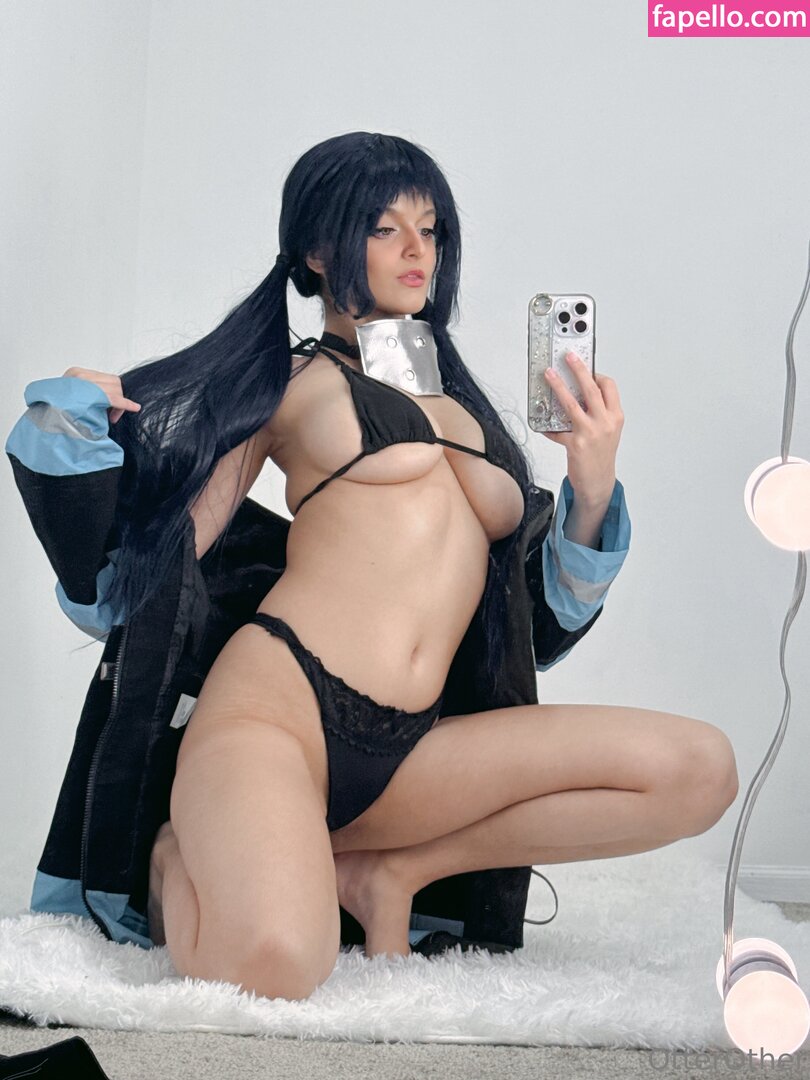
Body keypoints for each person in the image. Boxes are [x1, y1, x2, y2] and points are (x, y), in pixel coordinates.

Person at [6, 132, 738, 1004]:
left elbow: (540, 621)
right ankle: (173, 855)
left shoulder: (456, 400)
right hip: (275, 719)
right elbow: (152, 572)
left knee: (699, 770)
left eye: (430, 228)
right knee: (281, 966)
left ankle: (391, 870)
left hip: (413, 749)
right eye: (383, 228)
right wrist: (74, 424)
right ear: (319, 251)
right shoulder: (288, 383)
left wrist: (593, 484)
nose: (415, 248)